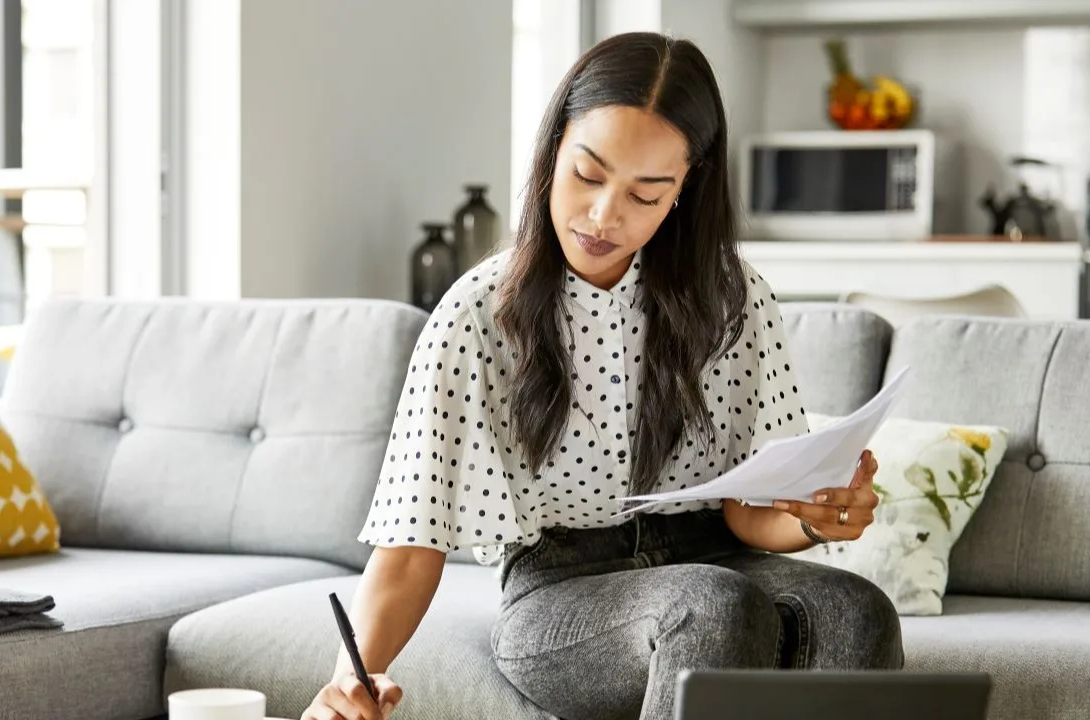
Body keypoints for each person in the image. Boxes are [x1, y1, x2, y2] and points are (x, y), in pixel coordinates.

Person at [301, 31, 903, 720]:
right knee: (710, 606)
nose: (602, 216)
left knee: (858, 610)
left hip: (717, 554)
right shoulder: (475, 314)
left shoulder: (737, 298)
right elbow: (411, 545)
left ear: (685, 189)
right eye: (588, 174)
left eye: (646, 194)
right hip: (561, 586)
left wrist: (815, 519)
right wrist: (350, 680)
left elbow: (752, 513)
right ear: (554, 149)